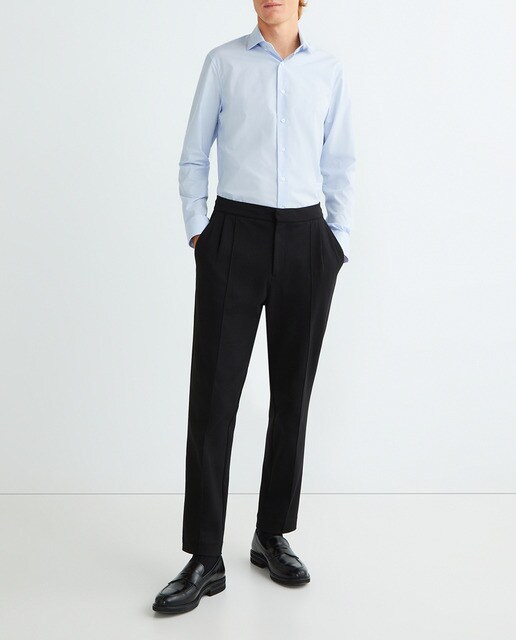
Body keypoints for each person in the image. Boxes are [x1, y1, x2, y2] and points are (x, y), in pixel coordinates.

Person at [153, 0, 356, 614]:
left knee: (292, 396)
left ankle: (272, 534)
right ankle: (204, 556)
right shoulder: (223, 63)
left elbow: (341, 162)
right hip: (233, 236)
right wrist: (200, 232)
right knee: (213, 400)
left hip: (306, 240)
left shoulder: (328, 70)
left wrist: (336, 242)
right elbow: (194, 154)